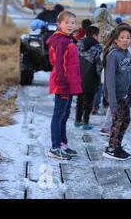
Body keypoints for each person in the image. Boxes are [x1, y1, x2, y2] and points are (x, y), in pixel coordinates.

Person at [46, 10, 82, 160]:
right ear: (59, 24)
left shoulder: (67, 39)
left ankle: (62, 144)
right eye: (66, 22)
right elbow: (60, 65)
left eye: (72, 22)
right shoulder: (61, 41)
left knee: (64, 115)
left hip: (69, 84)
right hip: (63, 84)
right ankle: (55, 147)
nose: (70, 25)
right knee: (58, 115)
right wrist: (63, 85)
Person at [102, 25, 131, 161]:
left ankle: (117, 145)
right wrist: (112, 102)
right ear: (116, 40)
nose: (125, 40)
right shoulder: (113, 55)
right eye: (122, 38)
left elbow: (129, 77)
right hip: (115, 95)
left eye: (128, 38)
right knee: (118, 121)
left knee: (125, 120)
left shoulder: (127, 53)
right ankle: (111, 148)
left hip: (124, 94)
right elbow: (109, 80)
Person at [74, 26, 103, 130]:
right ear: (95, 35)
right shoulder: (98, 47)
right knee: (88, 102)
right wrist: (101, 78)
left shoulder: (79, 43)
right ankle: (86, 123)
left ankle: (77, 120)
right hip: (91, 77)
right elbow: (99, 65)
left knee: (80, 99)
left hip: (78, 76)